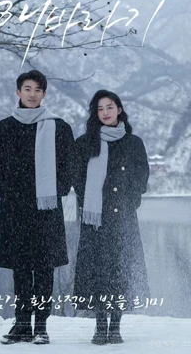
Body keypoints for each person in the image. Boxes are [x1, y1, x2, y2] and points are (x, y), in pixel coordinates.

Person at [0, 69, 76, 345]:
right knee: (21, 269)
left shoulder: (59, 128)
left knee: (45, 269)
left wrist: (58, 190)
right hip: (15, 209)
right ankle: (22, 324)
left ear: (44, 94)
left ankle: (41, 326)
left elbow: (69, 163)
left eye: (37, 90)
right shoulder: (4, 128)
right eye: (27, 89)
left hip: (46, 210)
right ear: (18, 92)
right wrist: (4, 190)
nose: (32, 94)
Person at [73, 90, 149, 345]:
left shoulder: (133, 143)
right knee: (97, 271)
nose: (105, 112)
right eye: (100, 108)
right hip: (94, 219)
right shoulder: (85, 143)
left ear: (119, 109)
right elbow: (77, 177)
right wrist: (88, 202)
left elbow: (141, 175)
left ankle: (115, 326)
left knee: (119, 271)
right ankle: (99, 326)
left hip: (123, 217)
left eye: (109, 107)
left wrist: (130, 200)